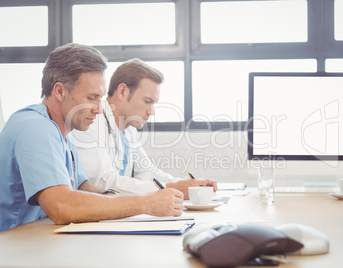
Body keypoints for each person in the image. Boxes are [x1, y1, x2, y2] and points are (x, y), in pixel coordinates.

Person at [0, 43, 184, 232]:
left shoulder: (66, 134)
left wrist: (120, 201)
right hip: (11, 244)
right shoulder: (35, 127)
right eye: (91, 98)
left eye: (100, 98)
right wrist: (145, 204)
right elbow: (61, 207)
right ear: (60, 91)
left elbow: (86, 188)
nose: (99, 108)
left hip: (36, 238)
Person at [72, 59, 217, 199]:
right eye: (148, 102)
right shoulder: (91, 122)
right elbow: (103, 183)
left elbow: (149, 173)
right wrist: (172, 188)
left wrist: (190, 185)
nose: (151, 112)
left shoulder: (129, 130)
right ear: (122, 91)